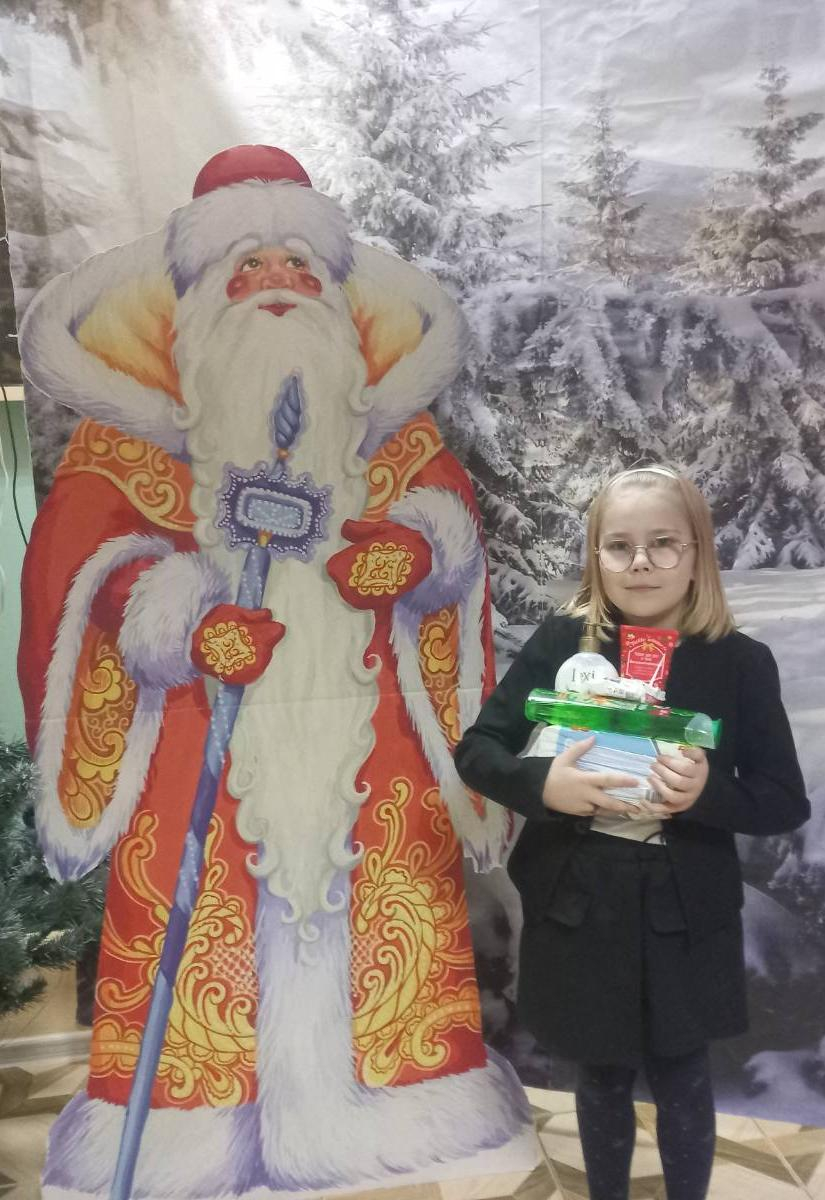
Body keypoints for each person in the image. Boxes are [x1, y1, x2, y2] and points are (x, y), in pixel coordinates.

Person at [17, 145, 536, 1199]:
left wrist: (417, 552)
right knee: (195, 923)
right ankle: (197, 1124)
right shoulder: (128, 446)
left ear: (339, 298)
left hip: (370, 742)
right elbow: (78, 566)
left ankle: (402, 1103)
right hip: (197, 746)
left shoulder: (392, 433)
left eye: (299, 267)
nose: (276, 285)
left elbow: (451, 529)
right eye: (246, 269)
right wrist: (179, 615)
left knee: (387, 899)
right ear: (194, 302)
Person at [454, 464, 810, 1200]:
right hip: (579, 901)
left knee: (683, 1073)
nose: (640, 562)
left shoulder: (740, 663)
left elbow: (781, 800)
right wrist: (542, 786)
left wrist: (706, 793)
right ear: (596, 556)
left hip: (687, 910)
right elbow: (479, 750)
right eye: (619, 546)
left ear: (697, 552)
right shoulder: (563, 642)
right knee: (601, 1073)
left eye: (662, 543)